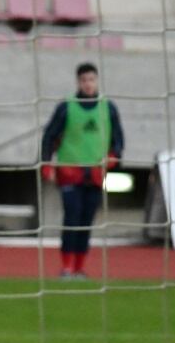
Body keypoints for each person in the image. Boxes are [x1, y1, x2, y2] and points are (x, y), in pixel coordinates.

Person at [40, 62, 125, 279]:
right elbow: (49, 136)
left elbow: (118, 140)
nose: (88, 84)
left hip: (96, 174)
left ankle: (79, 267)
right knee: (72, 218)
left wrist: (114, 157)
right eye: (84, 80)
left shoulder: (108, 107)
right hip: (70, 172)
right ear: (78, 82)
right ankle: (66, 266)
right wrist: (46, 163)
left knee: (87, 220)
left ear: (97, 81)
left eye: (92, 80)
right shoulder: (66, 107)